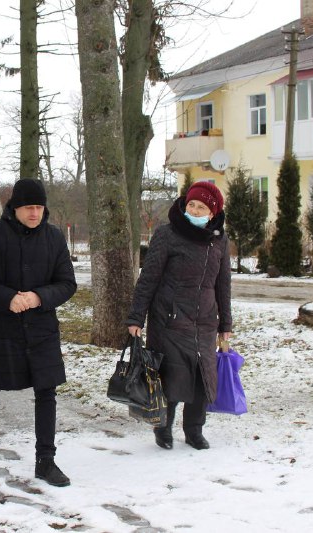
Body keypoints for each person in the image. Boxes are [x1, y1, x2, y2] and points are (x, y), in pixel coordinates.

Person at [0, 178, 77, 487]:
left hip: (41, 330)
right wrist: (6, 298)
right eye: (29, 208)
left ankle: (46, 460)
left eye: (39, 207)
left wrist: (39, 297)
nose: (34, 213)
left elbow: (67, 283)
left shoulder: (54, 239)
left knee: (47, 391)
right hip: (2, 327)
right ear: (15, 207)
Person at [126, 181, 232, 451]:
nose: (194, 210)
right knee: (171, 377)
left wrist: (225, 325)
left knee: (202, 379)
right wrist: (136, 318)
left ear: (212, 213)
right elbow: (148, 279)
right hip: (169, 319)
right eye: (191, 204)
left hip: (205, 321)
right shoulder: (167, 234)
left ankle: (194, 430)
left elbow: (223, 284)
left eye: (201, 207)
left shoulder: (218, 240)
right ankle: (162, 426)